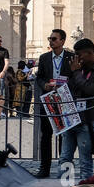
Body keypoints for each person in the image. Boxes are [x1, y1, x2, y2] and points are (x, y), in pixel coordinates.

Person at [62, 38, 94, 184]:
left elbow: (90, 90)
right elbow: (69, 89)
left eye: (79, 55)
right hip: (71, 118)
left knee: (85, 161)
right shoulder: (77, 70)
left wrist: (77, 72)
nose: (77, 58)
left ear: (89, 53)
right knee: (65, 158)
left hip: (87, 120)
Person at [33, 29, 70, 177]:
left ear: (62, 41)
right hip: (47, 99)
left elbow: (74, 76)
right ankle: (44, 168)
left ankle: (64, 169)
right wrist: (44, 85)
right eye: (50, 38)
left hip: (63, 99)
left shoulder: (71, 58)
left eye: (54, 39)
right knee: (46, 135)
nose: (51, 41)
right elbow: (39, 77)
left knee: (64, 136)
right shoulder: (43, 58)